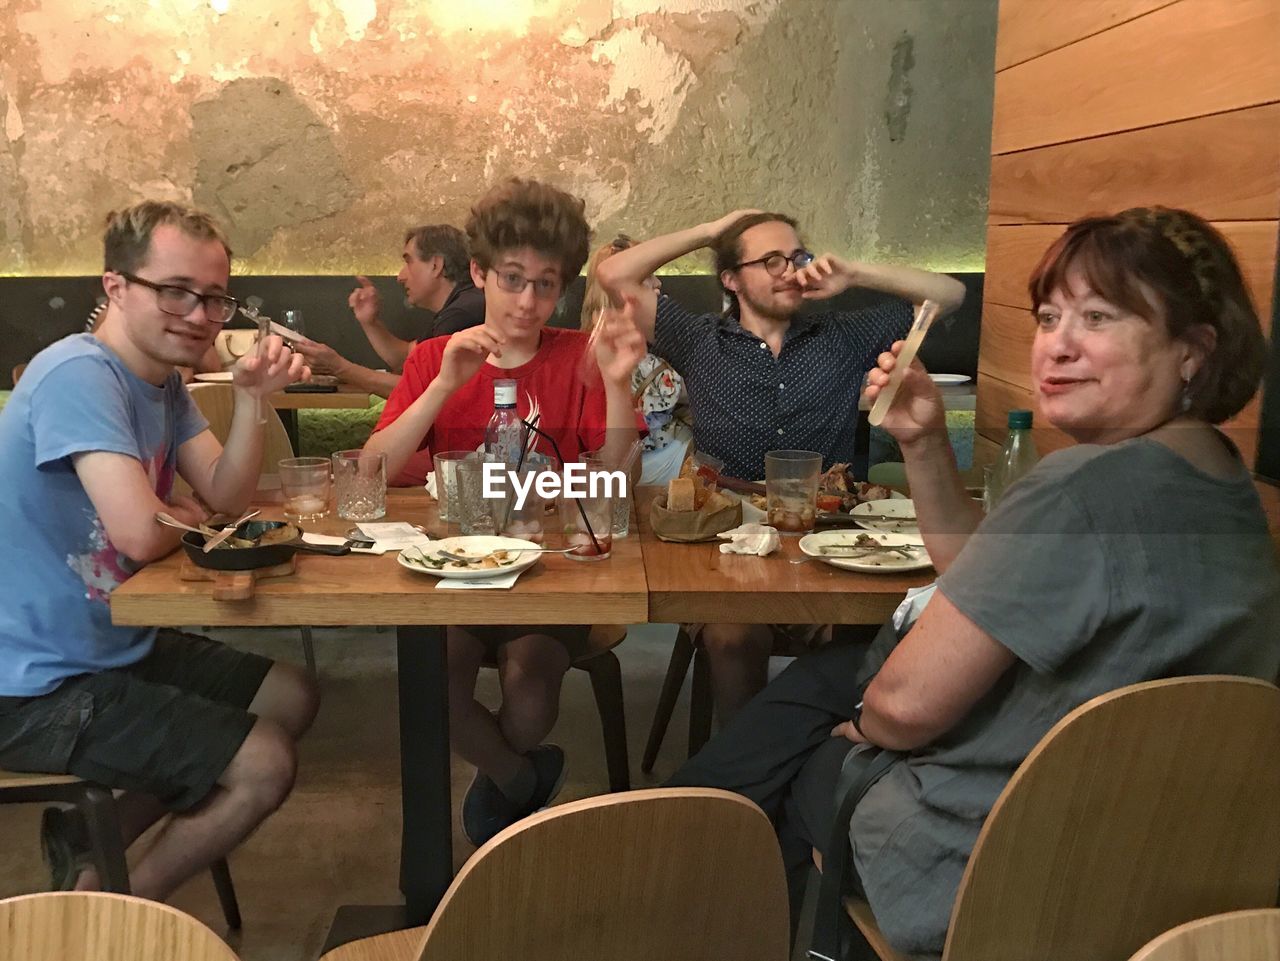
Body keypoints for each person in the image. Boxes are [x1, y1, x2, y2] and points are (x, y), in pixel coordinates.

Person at [668, 206, 1280, 957]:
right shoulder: (1225, 480)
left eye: (1098, 316)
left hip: (993, 854)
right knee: (799, 700)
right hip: (1155, 847)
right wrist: (924, 442)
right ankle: (687, 824)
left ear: (1194, 351)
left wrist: (863, 726)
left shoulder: (1081, 487)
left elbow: (904, 706)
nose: (1057, 345)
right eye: (1050, 316)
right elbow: (987, 582)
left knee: (789, 758)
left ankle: (673, 861)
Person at [0, 200, 319, 901]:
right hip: (31, 683)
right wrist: (173, 512)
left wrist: (252, 400)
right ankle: (106, 917)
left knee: (289, 696)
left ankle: (94, 837)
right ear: (116, 286)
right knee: (264, 762)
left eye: (213, 298)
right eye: (175, 291)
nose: (200, 314)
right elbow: (143, 533)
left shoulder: (162, 383)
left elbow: (226, 500)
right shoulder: (78, 374)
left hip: (111, 642)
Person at [597, 210, 967, 722]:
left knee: (866, 628)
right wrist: (712, 231)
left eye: (797, 257)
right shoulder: (699, 338)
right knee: (732, 635)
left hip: (831, 528)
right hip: (726, 533)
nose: (789, 270)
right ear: (731, 279)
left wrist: (853, 272)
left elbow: (949, 295)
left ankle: (819, 759)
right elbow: (615, 275)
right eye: (770, 260)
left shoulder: (843, 335)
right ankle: (743, 773)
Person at [364, 178, 646, 846]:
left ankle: (503, 773)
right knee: (433, 684)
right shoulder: (436, 355)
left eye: (545, 285)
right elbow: (372, 474)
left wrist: (614, 381)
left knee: (529, 690)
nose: (527, 301)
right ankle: (519, 782)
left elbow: (615, 486)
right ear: (479, 272)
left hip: (548, 574)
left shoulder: (581, 354)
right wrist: (442, 387)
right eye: (512, 279)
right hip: (452, 570)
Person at [294, 224, 485, 398]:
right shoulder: (455, 308)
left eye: (408, 262)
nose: (400, 277)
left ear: (436, 265)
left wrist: (339, 367)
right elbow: (406, 359)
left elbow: (422, 392)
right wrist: (370, 322)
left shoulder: (462, 314)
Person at [581, 236, 691, 485]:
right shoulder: (625, 350)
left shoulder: (590, 337)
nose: (658, 283)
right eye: (647, 276)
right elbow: (694, 391)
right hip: (643, 465)